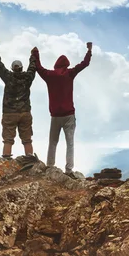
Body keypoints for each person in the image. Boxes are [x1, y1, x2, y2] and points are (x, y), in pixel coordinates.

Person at [31, 42, 92, 178]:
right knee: (70, 143)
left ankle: (50, 167)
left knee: (53, 142)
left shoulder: (49, 75)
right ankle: (69, 170)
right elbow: (84, 64)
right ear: (66, 64)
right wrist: (89, 51)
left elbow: (38, 68)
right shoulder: (70, 73)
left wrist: (35, 54)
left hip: (55, 116)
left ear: (56, 65)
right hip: (69, 115)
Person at [0, 45, 38, 162]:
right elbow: (33, 67)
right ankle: (29, 160)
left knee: (8, 139)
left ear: (12, 68)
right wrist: (33, 55)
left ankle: (7, 162)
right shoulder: (28, 77)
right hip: (25, 112)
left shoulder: (8, 77)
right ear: (22, 68)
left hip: (9, 113)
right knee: (27, 139)